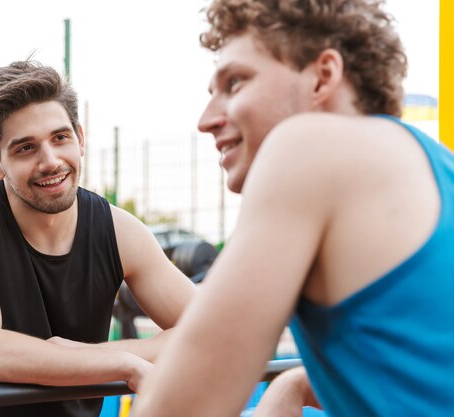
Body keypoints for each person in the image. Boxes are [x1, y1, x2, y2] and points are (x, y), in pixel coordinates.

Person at [133, 1, 454, 416]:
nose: (206, 118)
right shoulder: (435, 165)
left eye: (235, 83)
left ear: (322, 77)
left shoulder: (306, 146)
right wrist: (297, 381)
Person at [0, 60, 197, 417]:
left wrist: (95, 356)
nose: (51, 161)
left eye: (60, 138)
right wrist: (122, 364)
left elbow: (208, 331)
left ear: (80, 138)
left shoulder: (119, 230)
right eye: (25, 148)